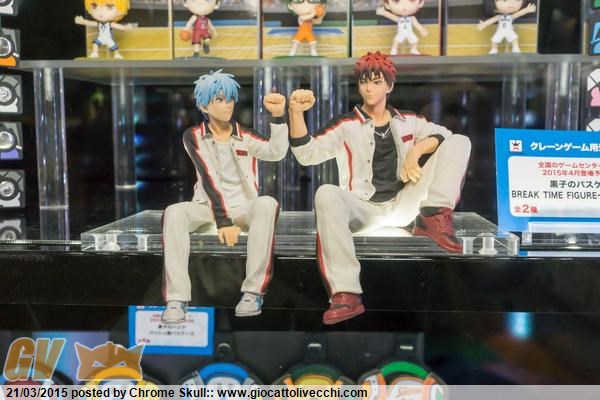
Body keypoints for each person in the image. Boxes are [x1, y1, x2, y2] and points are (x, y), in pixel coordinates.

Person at [288, 52, 471, 325]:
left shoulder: (408, 120)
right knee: (326, 192)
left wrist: (416, 151)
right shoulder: (345, 125)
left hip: (406, 205)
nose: (369, 88)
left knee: (460, 141)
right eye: (364, 82)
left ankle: (433, 217)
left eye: (376, 82)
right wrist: (295, 113)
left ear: (390, 86)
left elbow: (444, 135)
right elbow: (306, 154)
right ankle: (345, 294)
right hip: (363, 210)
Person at [161, 70, 288, 324]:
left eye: (230, 99)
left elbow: (276, 152)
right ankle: (176, 299)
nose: (228, 104)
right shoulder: (193, 136)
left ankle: (253, 293)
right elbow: (207, 176)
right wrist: (223, 221)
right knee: (174, 212)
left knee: (267, 203)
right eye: (219, 99)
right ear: (203, 106)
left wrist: (278, 117)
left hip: (243, 208)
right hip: (208, 208)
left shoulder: (245, 135)